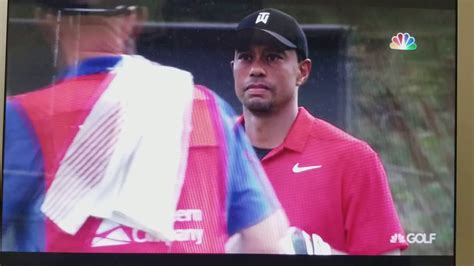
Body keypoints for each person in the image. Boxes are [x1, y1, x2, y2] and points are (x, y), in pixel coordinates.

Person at [2, 1, 288, 253]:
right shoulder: (206, 109)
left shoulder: (24, 117)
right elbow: (266, 242)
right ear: (133, 20)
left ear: (47, 21)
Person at [230, 8, 408, 255]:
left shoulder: (354, 158)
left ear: (302, 71)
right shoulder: (206, 152)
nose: (256, 69)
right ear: (233, 67)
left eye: (272, 57)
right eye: (246, 57)